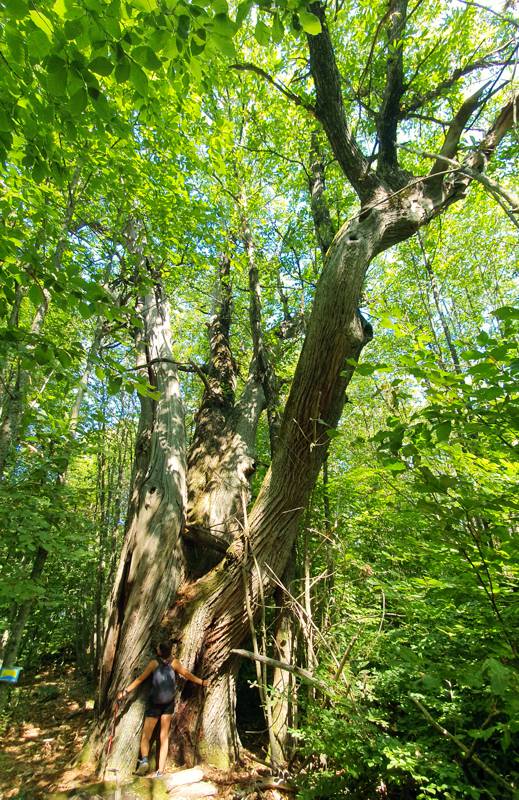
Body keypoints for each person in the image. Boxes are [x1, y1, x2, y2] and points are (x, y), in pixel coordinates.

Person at [117, 640, 207, 777]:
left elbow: (140, 679)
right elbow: (187, 675)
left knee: (146, 736)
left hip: (154, 704)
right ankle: (160, 771)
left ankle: (145, 761)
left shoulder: (154, 663)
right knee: (163, 737)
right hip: (168, 705)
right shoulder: (175, 663)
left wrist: (125, 691)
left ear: (159, 652)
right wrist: (202, 682)